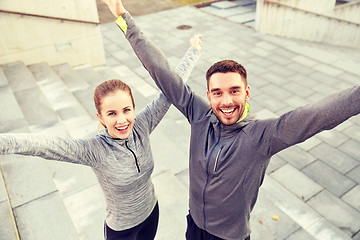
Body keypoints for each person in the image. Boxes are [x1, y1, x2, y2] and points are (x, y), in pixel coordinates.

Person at [102, 0, 360, 240]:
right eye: (218, 93)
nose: (226, 101)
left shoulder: (264, 135)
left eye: (234, 91)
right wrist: (124, 18)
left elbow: (318, 115)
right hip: (194, 226)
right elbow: (161, 70)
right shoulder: (199, 114)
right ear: (209, 96)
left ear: (247, 92)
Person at [0, 34, 202, 240]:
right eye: (112, 113)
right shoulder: (94, 150)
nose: (122, 120)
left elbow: (171, 90)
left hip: (151, 214)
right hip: (122, 231)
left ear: (133, 108)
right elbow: (44, 145)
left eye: (126, 110)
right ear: (101, 117)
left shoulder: (142, 125)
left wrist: (193, 51)